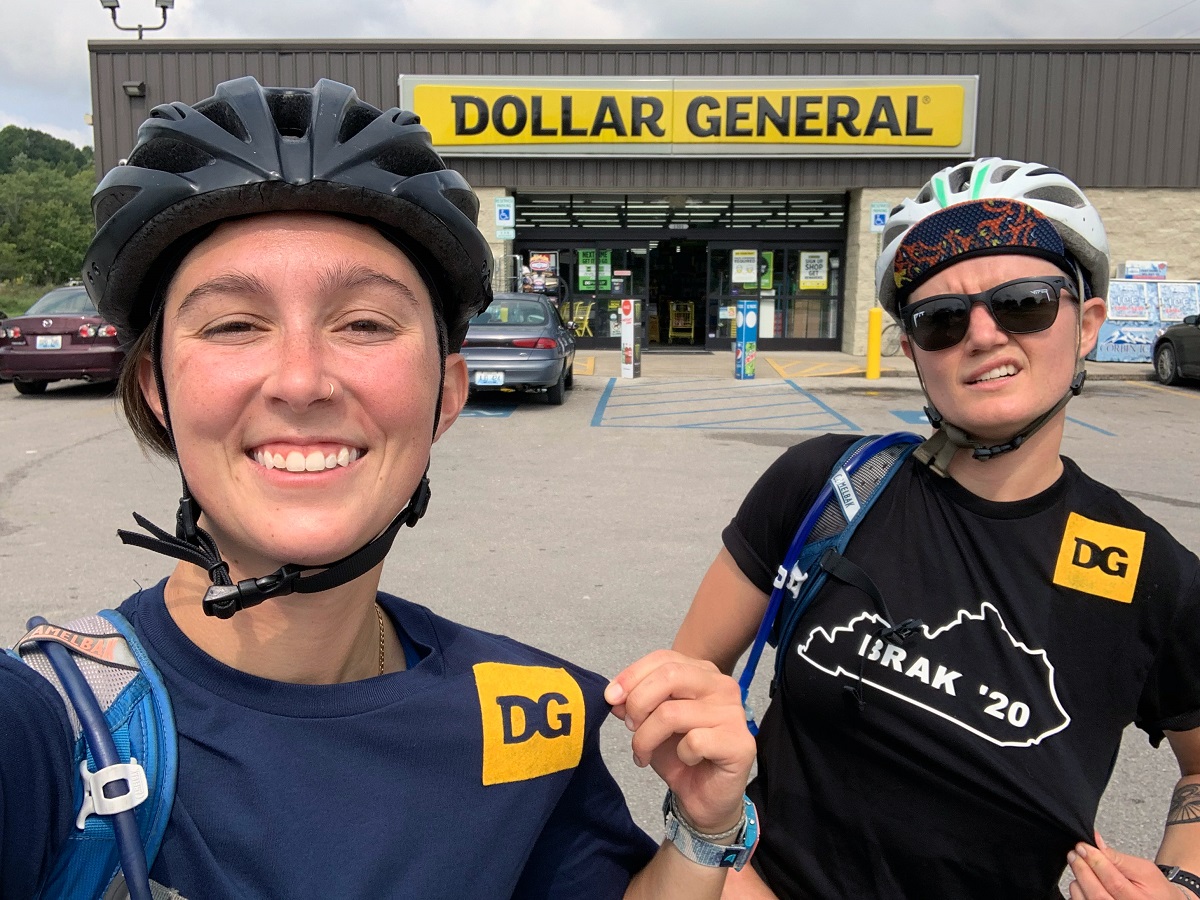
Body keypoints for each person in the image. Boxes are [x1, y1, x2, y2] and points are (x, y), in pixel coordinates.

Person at [0, 77, 756, 900]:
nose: (300, 381)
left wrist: (703, 827)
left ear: (447, 391)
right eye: (232, 324)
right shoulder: (47, 732)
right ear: (154, 387)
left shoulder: (530, 715)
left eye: (364, 322)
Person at [673, 157, 1200, 899]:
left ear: (1086, 325)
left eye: (1021, 303)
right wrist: (725, 863)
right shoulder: (826, 487)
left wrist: (1182, 881)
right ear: (914, 349)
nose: (982, 335)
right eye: (941, 319)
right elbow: (688, 687)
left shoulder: (1151, 571)